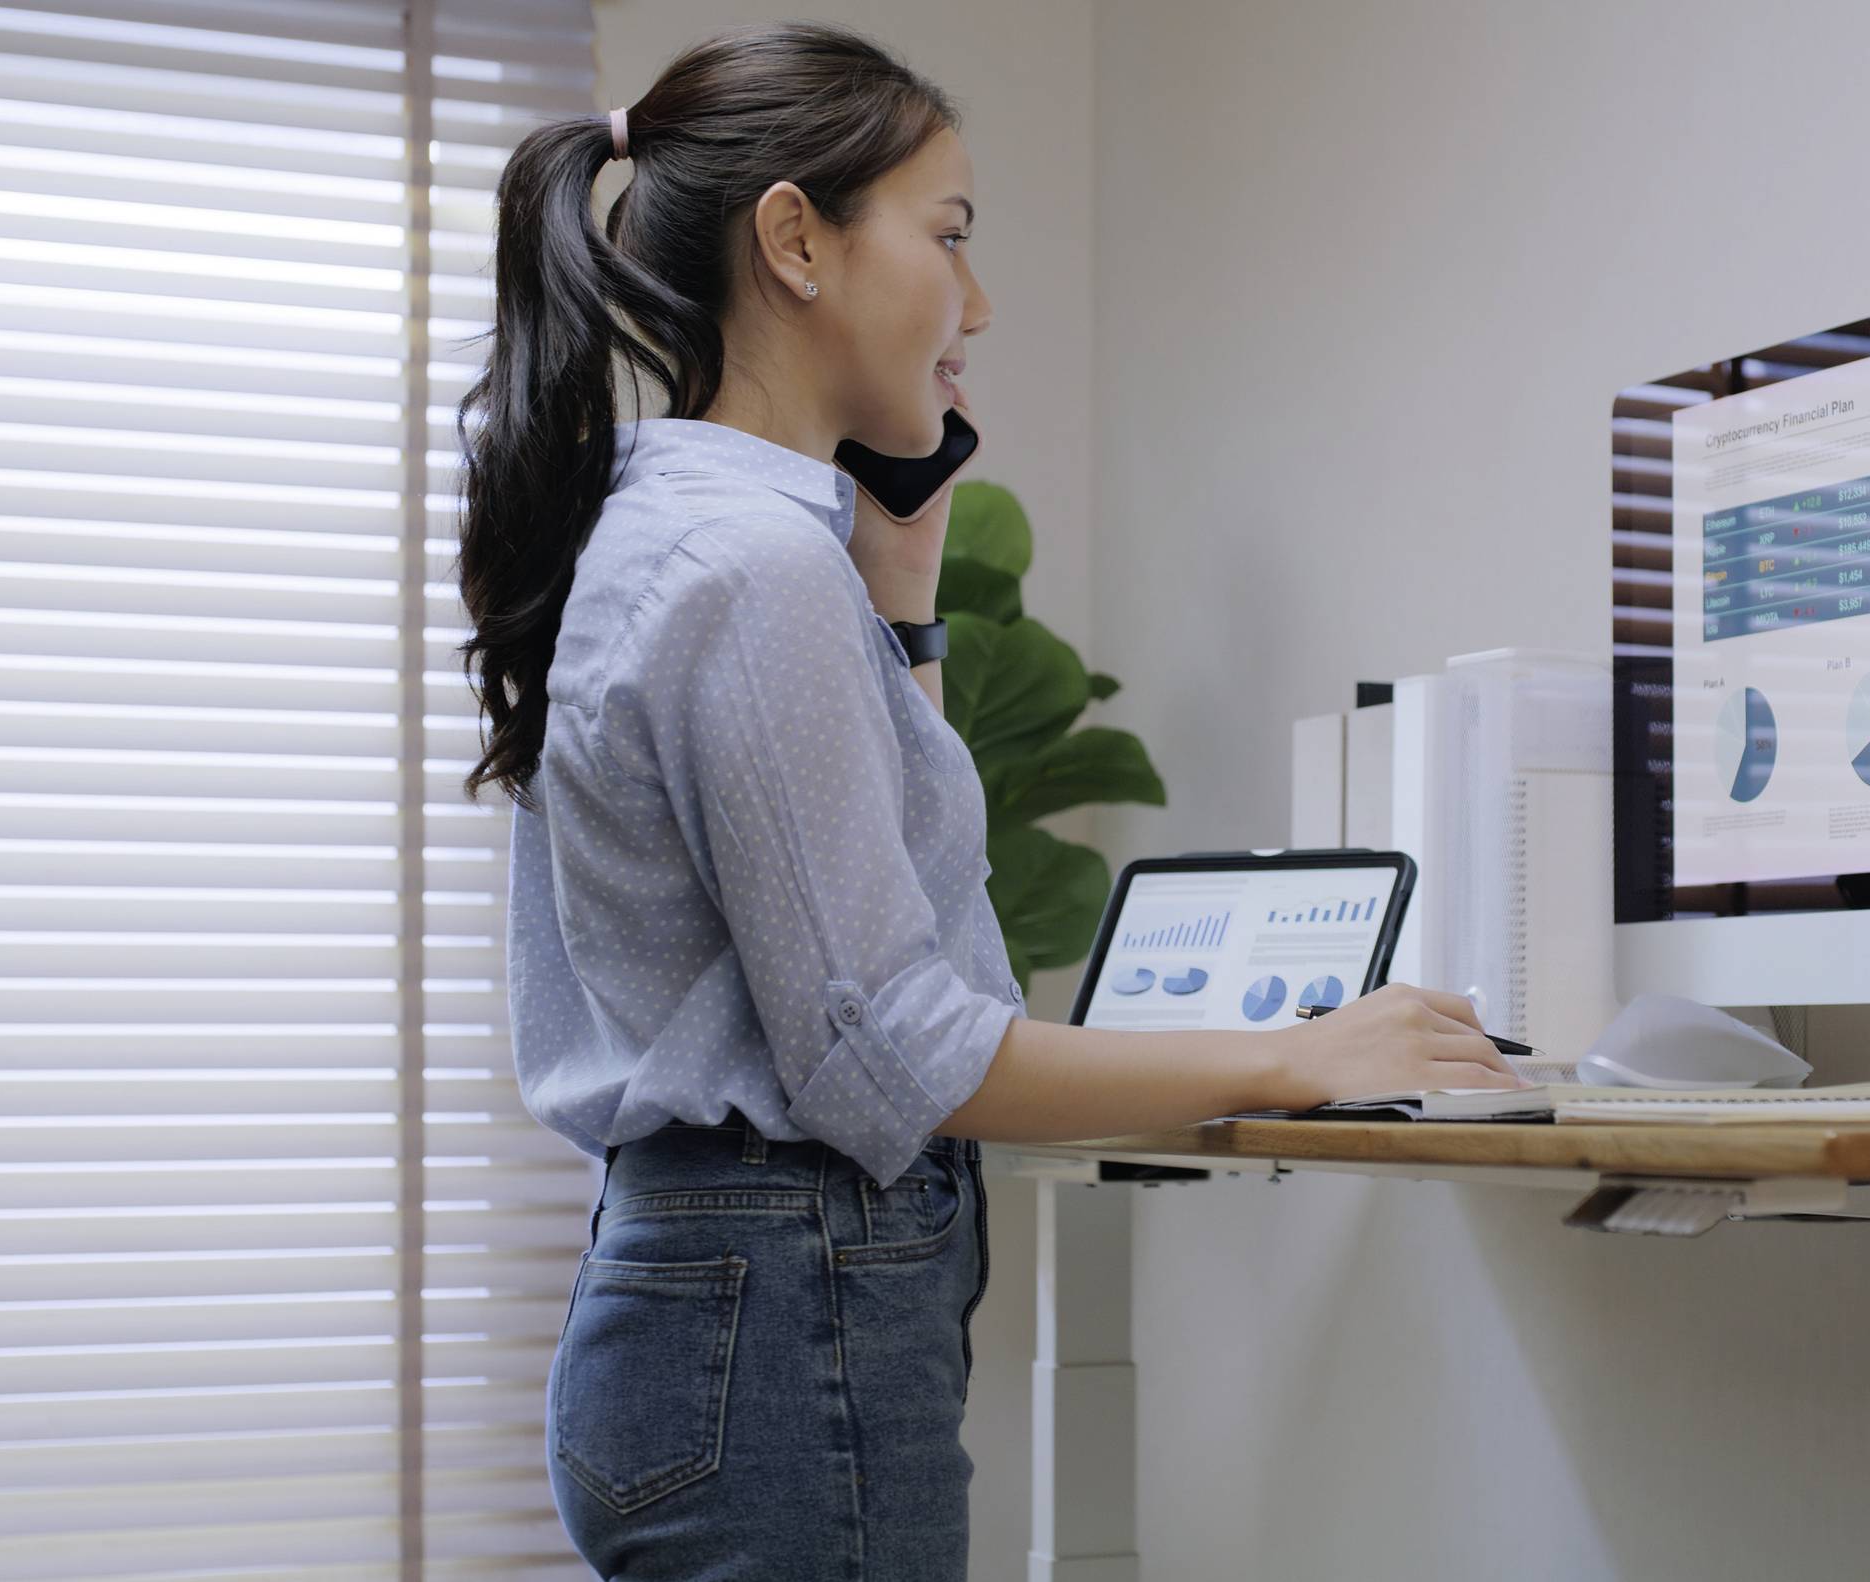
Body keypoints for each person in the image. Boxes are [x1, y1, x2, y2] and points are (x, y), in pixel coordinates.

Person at [453, 24, 1518, 1580]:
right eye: (948, 236)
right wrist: (1304, 1051)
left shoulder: (680, 530)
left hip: (709, 1309)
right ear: (797, 242)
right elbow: (897, 1044)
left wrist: (902, 598)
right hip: (782, 1316)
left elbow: (894, 939)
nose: (981, 301)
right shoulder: (749, 574)